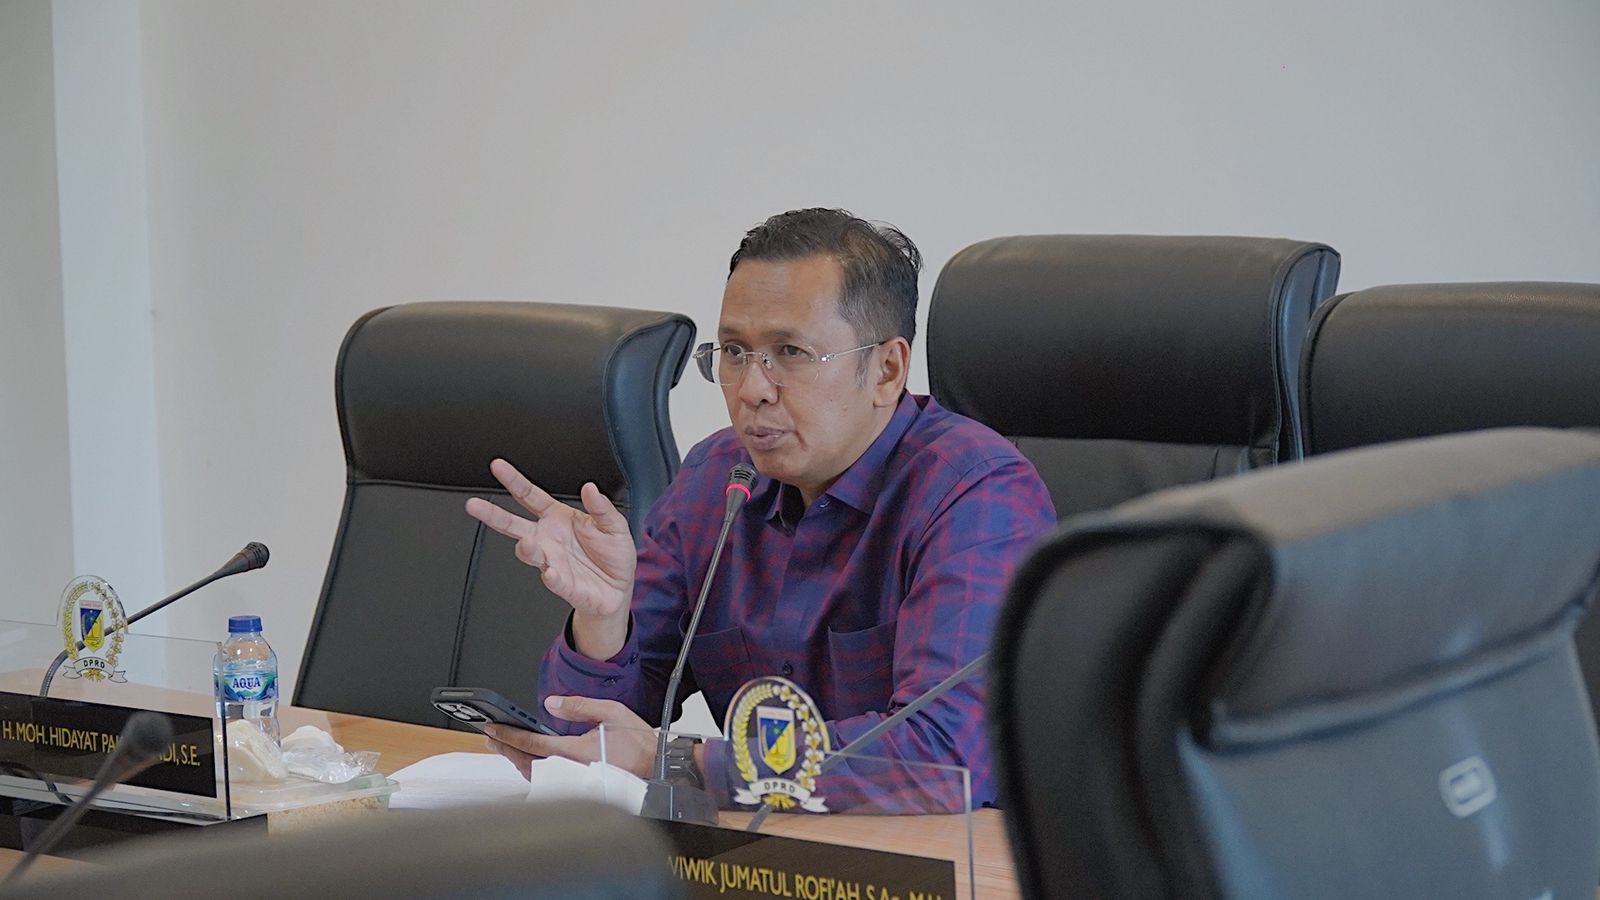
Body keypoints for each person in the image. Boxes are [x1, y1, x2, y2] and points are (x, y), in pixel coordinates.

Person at [464, 208, 1055, 810]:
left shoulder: (976, 494)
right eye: (735, 351)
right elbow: (589, 743)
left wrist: (690, 764)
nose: (751, 389)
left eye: (790, 352)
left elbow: (942, 756)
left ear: (886, 369)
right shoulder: (717, 479)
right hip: (749, 848)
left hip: (927, 854)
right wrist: (603, 622)